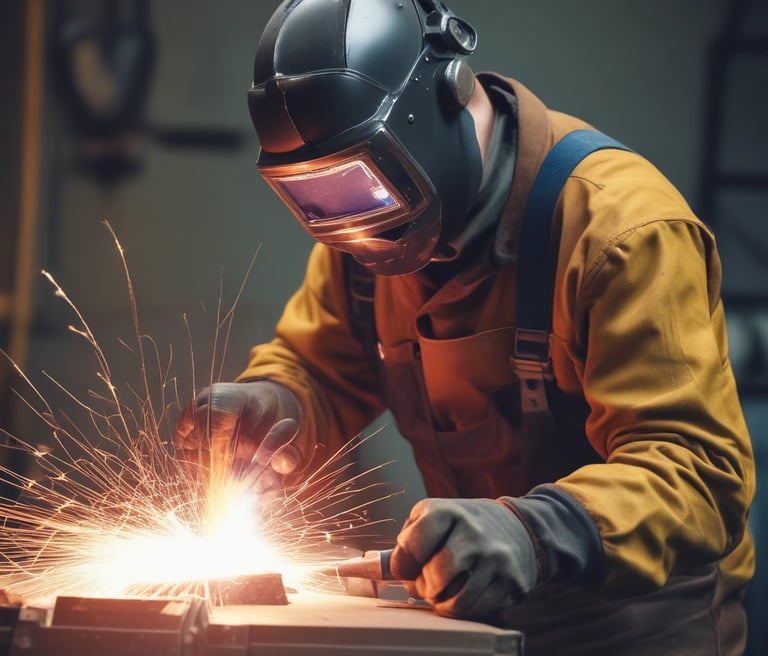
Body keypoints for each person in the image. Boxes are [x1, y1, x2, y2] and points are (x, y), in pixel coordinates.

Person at [175, 1, 756, 653]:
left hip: (635, 627)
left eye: (361, 183)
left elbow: (701, 473)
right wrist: (275, 404)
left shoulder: (620, 233)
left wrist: (536, 533)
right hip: (480, 616)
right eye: (316, 196)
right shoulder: (363, 241)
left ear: (441, 100)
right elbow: (321, 369)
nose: (354, 226)